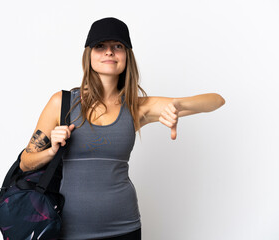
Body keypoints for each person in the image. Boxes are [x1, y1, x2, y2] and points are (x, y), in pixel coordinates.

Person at [19, 17, 225, 240]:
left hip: (124, 227)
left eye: (117, 46)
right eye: (100, 46)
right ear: (89, 55)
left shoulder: (137, 107)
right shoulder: (62, 103)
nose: (109, 52)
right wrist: (52, 150)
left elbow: (216, 101)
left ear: (127, 56)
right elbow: (25, 162)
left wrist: (178, 105)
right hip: (69, 230)